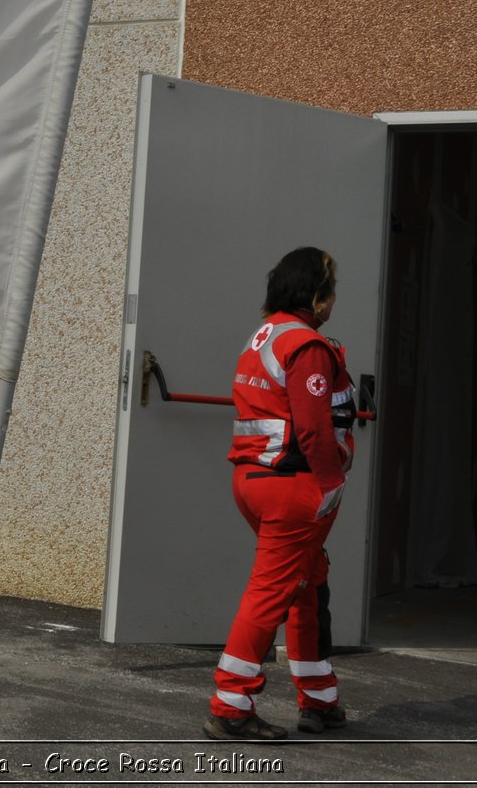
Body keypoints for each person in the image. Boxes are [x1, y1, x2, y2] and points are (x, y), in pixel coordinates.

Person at [203, 247, 357, 741]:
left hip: (254, 481)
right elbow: (313, 426)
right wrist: (332, 483)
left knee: (306, 584)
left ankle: (320, 700)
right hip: (294, 488)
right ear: (315, 293)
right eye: (330, 289)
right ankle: (230, 706)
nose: (334, 299)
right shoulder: (307, 345)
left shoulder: (263, 337)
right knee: (271, 593)